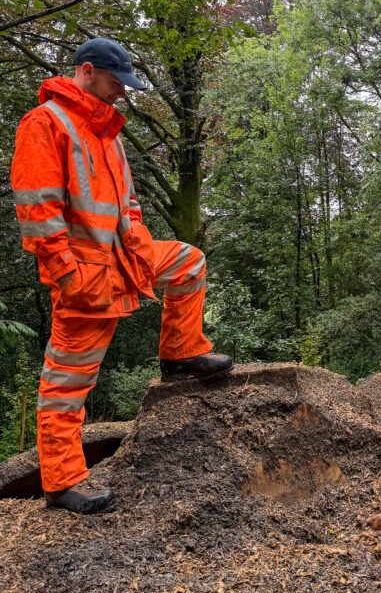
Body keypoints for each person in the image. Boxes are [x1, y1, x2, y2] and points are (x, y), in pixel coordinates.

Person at [11, 38, 232, 514]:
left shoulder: (106, 131)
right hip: (84, 277)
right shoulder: (45, 122)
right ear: (87, 71)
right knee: (67, 383)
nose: (122, 93)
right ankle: (62, 483)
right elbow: (37, 210)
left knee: (189, 262)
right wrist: (66, 273)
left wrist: (137, 242)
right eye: (116, 82)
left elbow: (128, 202)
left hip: (126, 259)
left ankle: (181, 353)